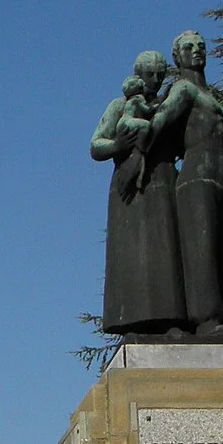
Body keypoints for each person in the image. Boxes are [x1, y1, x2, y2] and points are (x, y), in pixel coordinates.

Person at [146, 30, 223, 333]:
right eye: (189, 47)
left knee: (222, 253)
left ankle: (216, 316)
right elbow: (158, 123)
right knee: (201, 250)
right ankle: (206, 320)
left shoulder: (210, 95)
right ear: (177, 56)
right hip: (196, 177)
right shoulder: (183, 90)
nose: (197, 51)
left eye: (201, 45)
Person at [91, 50, 185, 334]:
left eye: (160, 74)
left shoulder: (171, 106)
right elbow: (96, 146)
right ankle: (131, 321)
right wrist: (119, 145)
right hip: (130, 186)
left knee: (167, 251)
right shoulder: (119, 106)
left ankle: (172, 320)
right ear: (137, 75)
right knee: (131, 253)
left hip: (165, 182)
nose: (154, 80)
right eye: (149, 74)